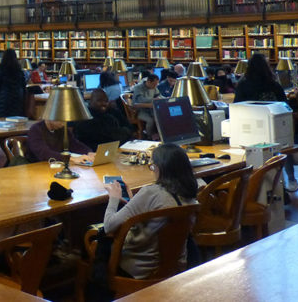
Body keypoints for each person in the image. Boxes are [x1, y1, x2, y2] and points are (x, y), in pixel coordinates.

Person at [102, 143, 198, 279]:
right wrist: (133, 202)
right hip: (176, 266)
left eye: (152, 167)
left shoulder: (151, 193)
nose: (152, 171)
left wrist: (113, 198)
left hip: (141, 270)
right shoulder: (191, 190)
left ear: (160, 168)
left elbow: (109, 226)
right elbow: (158, 212)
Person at [234, 53, 297, 191]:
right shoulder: (273, 83)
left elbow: (236, 105)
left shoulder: (244, 85)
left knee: (258, 158)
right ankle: (289, 180)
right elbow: (284, 104)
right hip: (275, 124)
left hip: (252, 128)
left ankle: (260, 186)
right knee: (280, 152)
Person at [26, 119, 94, 164]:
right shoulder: (35, 130)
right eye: (60, 120)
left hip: (57, 166)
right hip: (38, 169)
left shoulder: (61, 129)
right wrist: (71, 159)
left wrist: (89, 152)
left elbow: (74, 144)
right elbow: (44, 153)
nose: (63, 124)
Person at [0, 49, 27, 118]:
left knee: (1, 121)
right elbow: (23, 85)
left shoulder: (1, 69)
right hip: (17, 97)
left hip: (3, 99)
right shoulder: (19, 70)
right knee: (15, 120)